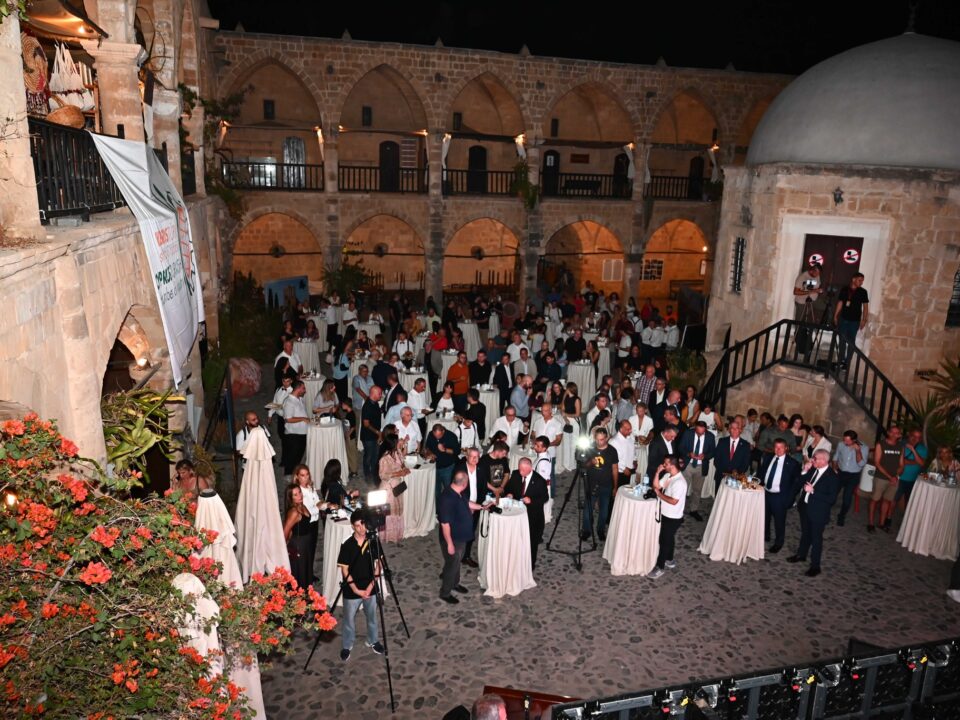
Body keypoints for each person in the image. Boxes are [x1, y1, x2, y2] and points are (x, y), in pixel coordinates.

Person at [337, 509, 384, 660]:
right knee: (349, 619)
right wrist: (356, 590)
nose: (361, 529)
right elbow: (344, 570)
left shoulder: (373, 541)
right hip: (352, 589)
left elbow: (379, 565)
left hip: (370, 586)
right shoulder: (347, 545)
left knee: (372, 616)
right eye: (357, 526)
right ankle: (347, 644)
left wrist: (370, 586)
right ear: (352, 526)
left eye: (363, 525)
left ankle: (373, 640)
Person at [438, 471, 490, 604]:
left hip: (460, 537)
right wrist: (449, 544)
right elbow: (444, 524)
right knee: (452, 565)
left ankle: (455, 584)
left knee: (456, 563)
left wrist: (482, 507)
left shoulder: (459, 492)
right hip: (453, 539)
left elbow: (467, 503)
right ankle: (445, 592)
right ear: (464, 484)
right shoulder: (447, 499)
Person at [788, 449, 840, 577]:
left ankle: (815, 566)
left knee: (816, 539)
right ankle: (801, 555)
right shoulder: (813, 469)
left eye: (815, 458)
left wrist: (813, 491)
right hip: (805, 508)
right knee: (805, 533)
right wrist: (805, 470)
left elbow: (831, 499)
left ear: (823, 460)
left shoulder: (832, 477)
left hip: (818, 513)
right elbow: (800, 482)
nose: (812, 460)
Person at [504, 457, 549, 568]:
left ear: (530, 468)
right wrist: (509, 493)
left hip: (533, 517)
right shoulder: (516, 474)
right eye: (520, 469)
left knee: (531, 542)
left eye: (523, 470)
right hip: (517, 515)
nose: (520, 472)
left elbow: (545, 498)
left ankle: (530, 565)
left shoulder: (539, 481)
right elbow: (508, 488)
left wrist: (531, 500)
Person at [758, 439, 802, 553]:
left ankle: (778, 543)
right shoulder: (768, 458)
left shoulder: (792, 463)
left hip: (780, 496)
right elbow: (762, 472)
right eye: (776, 447)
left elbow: (797, 483)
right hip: (766, 493)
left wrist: (789, 498)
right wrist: (758, 485)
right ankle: (766, 535)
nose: (778, 450)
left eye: (781, 447)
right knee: (765, 517)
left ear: (786, 448)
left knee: (779, 521)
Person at [647, 455, 687, 579]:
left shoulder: (680, 482)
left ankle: (660, 567)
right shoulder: (668, 475)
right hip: (665, 513)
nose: (663, 465)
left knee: (664, 540)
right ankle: (669, 560)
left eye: (666, 464)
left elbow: (674, 501)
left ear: (672, 465)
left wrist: (659, 494)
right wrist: (657, 473)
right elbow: (656, 486)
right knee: (669, 537)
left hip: (673, 517)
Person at [581, 427, 619, 542]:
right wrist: (591, 462)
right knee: (587, 509)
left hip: (606, 485)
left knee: (604, 510)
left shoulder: (612, 451)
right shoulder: (590, 448)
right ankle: (586, 530)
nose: (599, 442)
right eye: (597, 439)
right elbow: (584, 466)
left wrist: (615, 487)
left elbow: (615, 469)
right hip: (591, 484)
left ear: (606, 438)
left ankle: (600, 530)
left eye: (601, 439)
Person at [454, 447, 485, 568]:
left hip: (476, 507)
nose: (475, 459)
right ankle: (456, 556)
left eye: (477, 457)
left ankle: (466, 556)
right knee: (459, 532)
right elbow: (456, 490)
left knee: (471, 532)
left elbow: (483, 488)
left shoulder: (481, 469)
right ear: (467, 457)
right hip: (462, 506)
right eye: (472, 457)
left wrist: (478, 506)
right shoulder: (460, 469)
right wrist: (467, 505)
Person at [679, 420, 715, 521]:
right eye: (698, 432)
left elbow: (713, 451)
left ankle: (693, 510)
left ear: (705, 430)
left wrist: (705, 456)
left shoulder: (710, 436)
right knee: (682, 489)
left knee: (697, 490)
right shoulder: (688, 433)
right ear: (695, 428)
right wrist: (688, 454)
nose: (700, 435)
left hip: (701, 467)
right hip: (688, 465)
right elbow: (680, 447)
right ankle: (679, 511)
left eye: (702, 433)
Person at [292, 464, 322, 582]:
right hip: (306, 523)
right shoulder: (298, 492)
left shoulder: (310, 487)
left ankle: (310, 573)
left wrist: (320, 504)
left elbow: (317, 500)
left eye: (307, 475)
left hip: (314, 522)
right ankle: (305, 575)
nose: (305, 478)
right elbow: (306, 511)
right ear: (297, 477)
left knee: (312, 549)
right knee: (305, 551)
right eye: (302, 475)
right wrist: (318, 507)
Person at [871, 426, 904, 533]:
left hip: (894, 479)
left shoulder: (900, 446)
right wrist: (890, 477)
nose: (894, 434)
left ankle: (881, 523)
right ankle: (871, 523)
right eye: (892, 432)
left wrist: (896, 476)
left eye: (897, 433)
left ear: (899, 435)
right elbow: (877, 462)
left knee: (887, 501)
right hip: (881, 477)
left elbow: (902, 464)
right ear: (888, 433)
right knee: (875, 500)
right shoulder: (881, 444)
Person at [832, 430, 868, 526]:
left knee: (847, 498)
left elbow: (861, 464)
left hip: (853, 476)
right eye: (844, 440)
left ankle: (842, 516)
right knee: (832, 493)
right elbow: (836, 456)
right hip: (840, 473)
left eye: (848, 441)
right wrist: (834, 468)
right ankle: (825, 511)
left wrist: (858, 451)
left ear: (854, 440)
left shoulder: (864, 447)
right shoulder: (841, 444)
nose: (845, 442)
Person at [377, 434, 408, 542]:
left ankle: (396, 534)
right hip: (388, 488)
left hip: (397, 486)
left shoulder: (397, 452)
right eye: (397, 441)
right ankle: (388, 535)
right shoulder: (384, 458)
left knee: (397, 510)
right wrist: (398, 473)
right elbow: (382, 475)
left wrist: (404, 469)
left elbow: (402, 460)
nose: (399, 442)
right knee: (389, 513)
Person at [834, 272, 869, 366]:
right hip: (843, 319)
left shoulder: (863, 292)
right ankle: (840, 360)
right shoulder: (845, 289)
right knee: (842, 340)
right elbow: (840, 302)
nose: (861, 282)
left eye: (862, 281)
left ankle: (847, 362)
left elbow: (865, 307)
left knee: (851, 342)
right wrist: (835, 316)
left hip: (855, 321)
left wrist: (864, 320)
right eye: (859, 280)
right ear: (853, 279)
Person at [283, 484, 313, 591]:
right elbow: (285, 532)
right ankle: (299, 598)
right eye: (295, 495)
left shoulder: (301, 506)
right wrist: (285, 550)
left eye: (299, 492)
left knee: (306, 571)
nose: (299, 495)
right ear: (290, 498)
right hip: (299, 546)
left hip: (305, 545)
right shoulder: (294, 512)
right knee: (300, 574)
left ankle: (306, 596)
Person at [425, 423, 461, 503]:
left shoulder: (451, 436)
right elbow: (427, 447)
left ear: (443, 431)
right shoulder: (431, 434)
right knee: (436, 491)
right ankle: (438, 508)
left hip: (447, 468)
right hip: (434, 467)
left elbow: (457, 451)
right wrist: (430, 453)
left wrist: (445, 449)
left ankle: (450, 507)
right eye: (435, 436)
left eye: (439, 436)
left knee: (449, 490)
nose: (437, 438)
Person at [280, 381, 310, 477]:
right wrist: (302, 418)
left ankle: (295, 474)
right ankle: (288, 475)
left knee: (298, 456)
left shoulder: (300, 399)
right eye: (303, 388)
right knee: (292, 456)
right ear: (298, 389)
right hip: (293, 434)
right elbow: (288, 419)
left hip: (302, 433)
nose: (305, 391)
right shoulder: (289, 402)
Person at [713, 419, 751, 490]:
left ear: (740, 430)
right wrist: (725, 472)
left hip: (736, 478)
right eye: (732, 428)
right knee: (719, 495)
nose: (734, 430)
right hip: (721, 475)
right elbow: (716, 460)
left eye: (737, 428)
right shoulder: (722, 442)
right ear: (729, 430)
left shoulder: (745, 445)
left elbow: (745, 464)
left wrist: (737, 472)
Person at [897, 428, 927, 508]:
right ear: (909, 435)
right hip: (899, 478)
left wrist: (913, 449)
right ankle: (889, 515)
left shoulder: (923, 449)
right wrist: (915, 461)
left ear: (920, 439)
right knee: (893, 500)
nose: (915, 438)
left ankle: (906, 515)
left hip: (914, 480)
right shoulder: (900, 445)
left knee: (910, 502)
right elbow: (898, 460)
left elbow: (921, 463)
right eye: (913, 436)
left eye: (918, 437)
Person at [360, 386, 384, 484]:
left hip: (375, 435)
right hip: (368, 437)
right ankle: (367, 475)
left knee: (376, 455)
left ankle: (374, 473)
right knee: (368, 457)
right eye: (379, 393)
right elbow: (366, 424)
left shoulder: (375, 403)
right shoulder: (367, 406)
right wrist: (378, 432)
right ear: (373, 393)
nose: (381, 395)